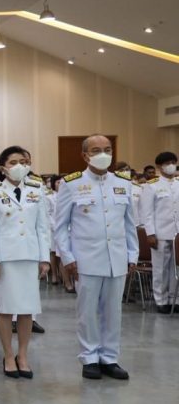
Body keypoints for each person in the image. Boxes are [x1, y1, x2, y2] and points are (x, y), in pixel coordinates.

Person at [54, 134, 138, 380]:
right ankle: (89, 357)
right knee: (87, 311)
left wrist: (132, 254)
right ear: (85, 155)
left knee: (113, 311)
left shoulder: (123, 182)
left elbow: (129, 224)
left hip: (117, 257)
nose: (103, 154)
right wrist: (67, 257)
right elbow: (61, 227)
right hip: (85, 259)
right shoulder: (71, 184)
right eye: (96, 150)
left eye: (107, 149)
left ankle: (109, 358)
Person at [0, 147, 50, 379]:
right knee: (5, 309)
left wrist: (44, 258)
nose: (19, 166)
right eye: (13, 162)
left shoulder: (37, 189)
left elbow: (42, 227)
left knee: (27, 310)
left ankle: (23, 355)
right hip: (6, 259)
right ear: (3, 168)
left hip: (30, 256)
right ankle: (8, 355)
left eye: (23, 161)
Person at [140, 152, 179, 313]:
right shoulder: (152, 185)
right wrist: (150, 233)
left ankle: (174, 299)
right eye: (167, 163)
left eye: (173, 162)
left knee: (176, 269)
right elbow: (147, 212)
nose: (171, 165)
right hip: (160, 233)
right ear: (159, 166)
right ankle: (161, 300)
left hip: (177, 234)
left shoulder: (178, 183)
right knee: (161, 268)